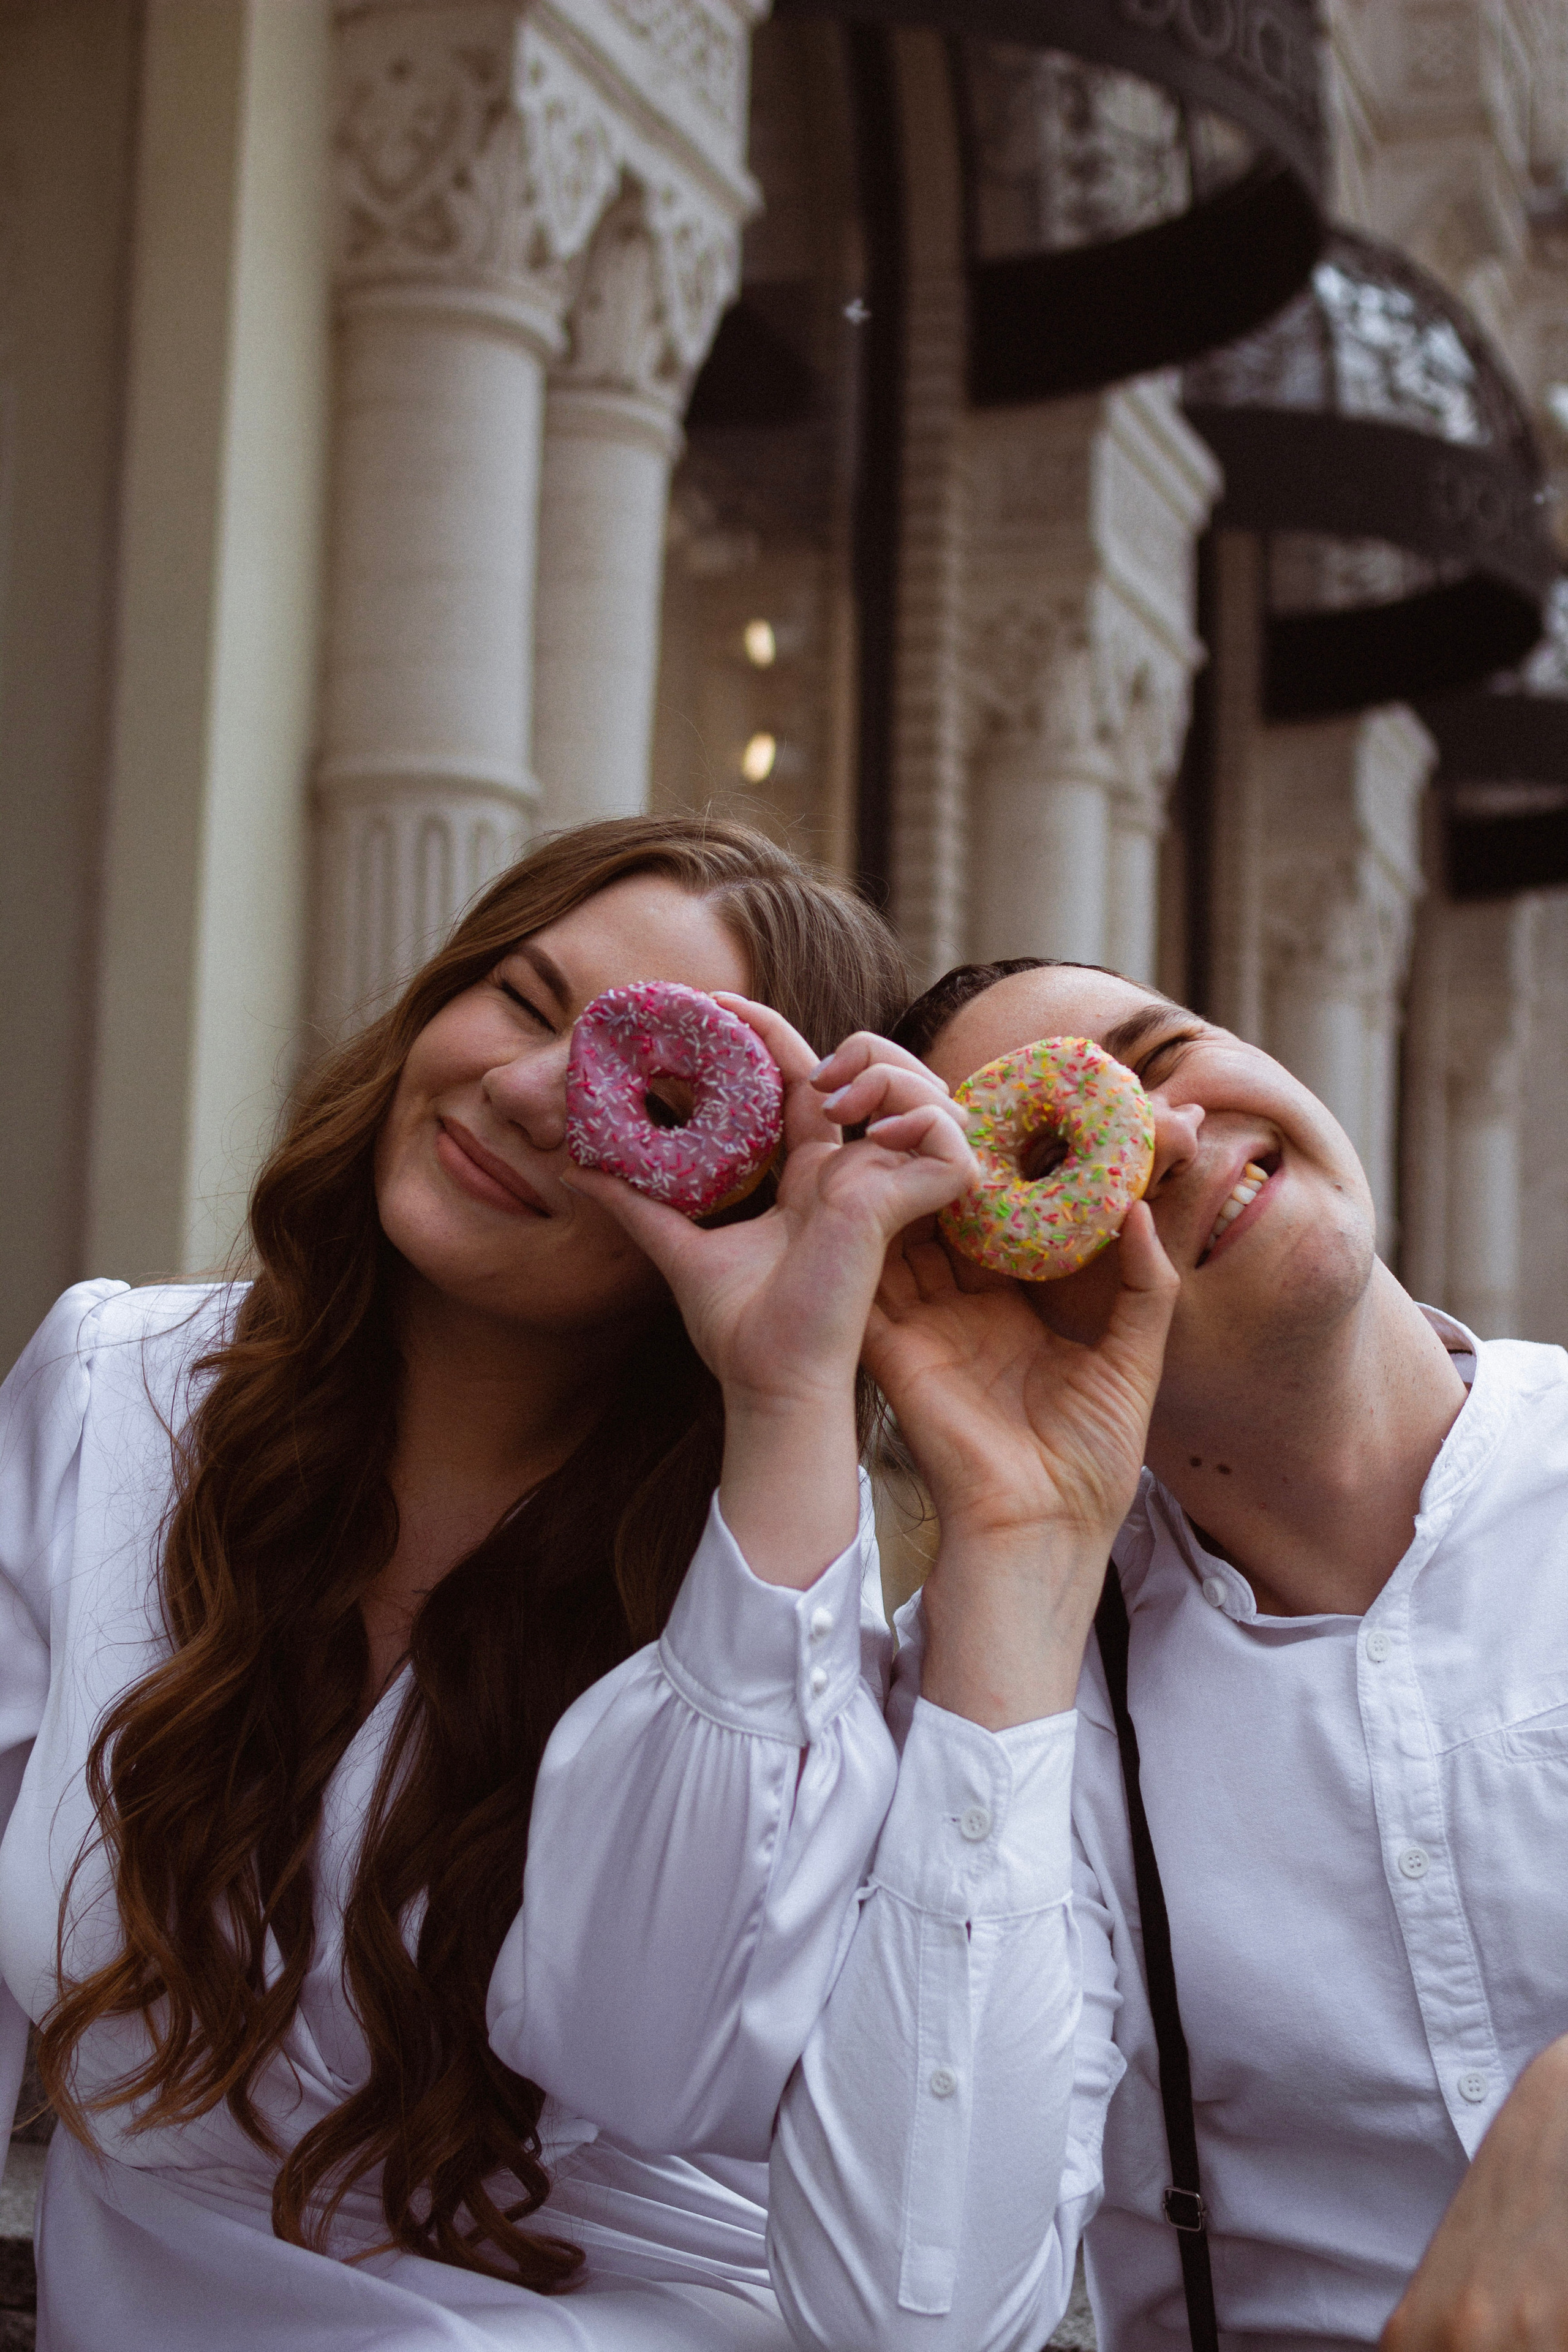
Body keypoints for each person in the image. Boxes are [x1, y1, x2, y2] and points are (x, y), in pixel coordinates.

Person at [0, 813, 979, 2352]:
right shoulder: (120, 1390)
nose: (531, 1094)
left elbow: (656, 2056)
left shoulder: (771, 1577)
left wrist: (785, 1390)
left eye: (651, 1085)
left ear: (758, 1191)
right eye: (521, 1001)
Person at [756, 955, 1568, 2352]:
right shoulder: (986, 1697)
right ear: (994, 1294)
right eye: (1069, 1147)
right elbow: (908, 2319)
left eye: (1164, 1053)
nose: (1172, 1138)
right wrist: (1019, 1539)